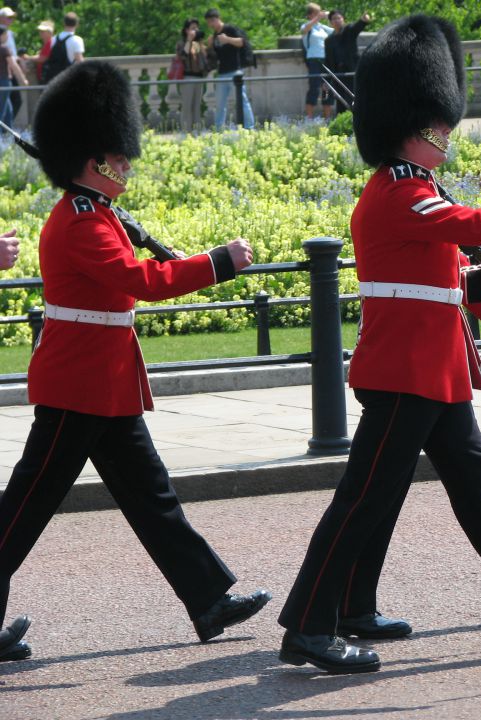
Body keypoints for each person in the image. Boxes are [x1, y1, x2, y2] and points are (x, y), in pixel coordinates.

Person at [277, 14, 481, 674]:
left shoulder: (414, 188)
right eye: (440, 130)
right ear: (417, 128)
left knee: (479, 491)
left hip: (432, 372)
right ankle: (308, 626)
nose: (447, 141)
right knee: (363, 502)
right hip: (406, 374)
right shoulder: (399, 192)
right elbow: (475, 222)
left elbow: (446, 277)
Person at [0, 61, 272, 664]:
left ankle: (208, 601)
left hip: (105, 386)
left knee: (153, 499)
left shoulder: (97, 212)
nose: (127, 163)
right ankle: (208, 599)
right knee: (20, 514)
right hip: (78, 387)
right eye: (118, 156)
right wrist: (217, 262)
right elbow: (140, 281)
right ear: (92, 159)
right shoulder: (79, 222)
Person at [205, 8, 254, 130]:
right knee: (220, 103)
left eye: (210, 22)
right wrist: (209, 46)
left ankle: (250, 127)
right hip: (222, 72)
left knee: (242, 100)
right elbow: (214, 56)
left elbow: (242, 42)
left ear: (215, 19)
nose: (209, 26)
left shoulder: (230, 29)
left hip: (235, 71)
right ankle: (219, 128)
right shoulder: (214, 35)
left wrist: (228, 39)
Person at [323, 9, 370, 116]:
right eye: (334, 19)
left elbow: (357, 27)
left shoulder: (348, 31)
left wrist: (363, 20)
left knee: (353, 100)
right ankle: (343, 125)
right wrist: (326, 80)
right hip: (338, 76)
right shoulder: (328, 40)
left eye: (339, 18)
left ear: (343, 19)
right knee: (340, 103)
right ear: (330, 22)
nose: (337, 21)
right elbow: (328, 61)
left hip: (351, 73)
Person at [175, 18, 210, 133]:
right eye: (193, 28)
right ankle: (186, 131)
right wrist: (189, 41)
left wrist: (206, 45)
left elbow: (204, 61)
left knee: (196, 106)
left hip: (199, 77)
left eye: (197, 28)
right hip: (187, 78)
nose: (196, 30)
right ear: (186, 30)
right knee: (187, 106)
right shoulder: (182, 43)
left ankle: (197, 131)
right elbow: (183, 56)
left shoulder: (198, 44)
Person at [300, 3, 333, 121]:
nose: (319, 15)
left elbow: (336, 31)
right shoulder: (307, 26)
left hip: (325, 60)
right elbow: (304, 30)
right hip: (313, 60)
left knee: (326, 88)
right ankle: (309, 118)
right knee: (314, 88)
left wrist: (330, 18)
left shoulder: (321, 27)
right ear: (310, 15)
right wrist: (318, 18)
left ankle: (327, 117)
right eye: (316, 13)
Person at [0, 25, 27, 128]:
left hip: (4, 81)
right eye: (6, 34)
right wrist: (23, 79)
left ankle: (9, 138)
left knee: (8, 111)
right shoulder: (4, 49)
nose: (7, 37)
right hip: (3, 81)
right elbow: (13, 65)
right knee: (1, 111)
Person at [22, 20, 53, 85]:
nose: (40, 33)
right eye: (40, 31)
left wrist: (28, 57)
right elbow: (41, 56)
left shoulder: (50, 43)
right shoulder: (46, 43)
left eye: (43, 31)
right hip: (43, 76)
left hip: (47, 77)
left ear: (49, 32)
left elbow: (42, 59)